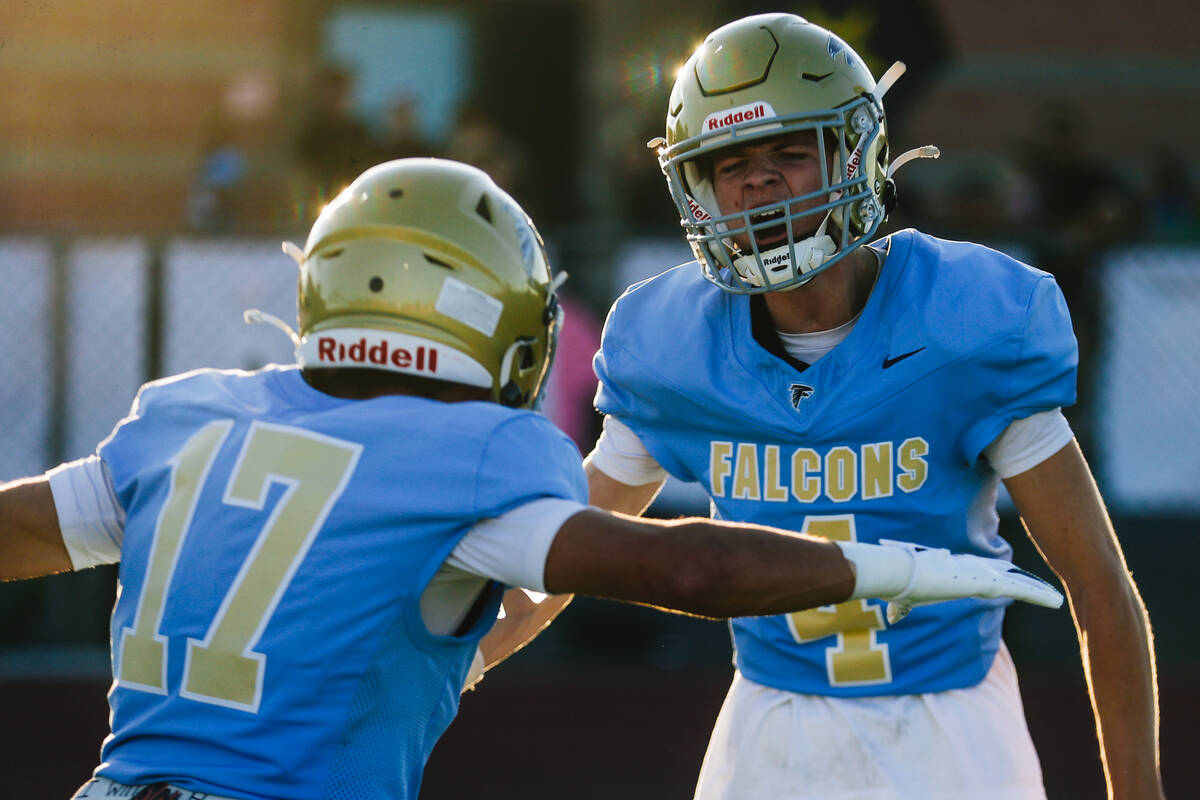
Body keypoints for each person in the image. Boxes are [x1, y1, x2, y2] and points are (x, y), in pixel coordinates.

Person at [0, 158, 1060, 800]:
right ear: (487, 313)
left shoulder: (186, 415)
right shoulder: (472, 453)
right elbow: (690, 564)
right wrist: (915, 568)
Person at [584, 14, 1163, 800]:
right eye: (729, 163)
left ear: (856, 155)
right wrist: (463, 659)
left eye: (790, 153)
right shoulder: (671, 345)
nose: (758, 183)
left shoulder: (966, 322)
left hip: (949, 722)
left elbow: (1098, 584)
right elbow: (558, 552)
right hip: (770, 722)